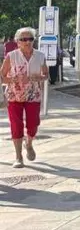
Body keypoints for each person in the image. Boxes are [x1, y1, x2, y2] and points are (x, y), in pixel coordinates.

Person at [0, 27, 48, 168]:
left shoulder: (40, 56)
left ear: (33, 41)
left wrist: (38, 77)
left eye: (30, 39)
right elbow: (2, 77)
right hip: (14, 95)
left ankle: (29, 143)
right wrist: (12, 79)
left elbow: (46, 75)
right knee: (16, 125)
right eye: (23, 39)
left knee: (33, 124)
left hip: (33, 94)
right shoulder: (11, 56)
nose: (27, 42)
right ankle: (18, 156)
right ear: (17, 42)